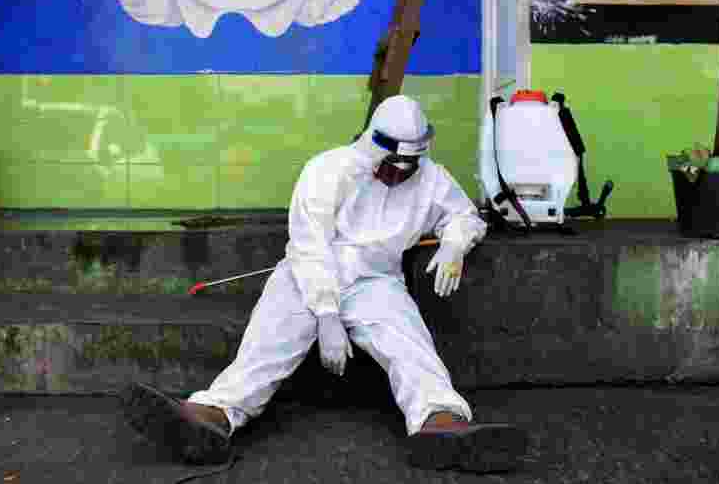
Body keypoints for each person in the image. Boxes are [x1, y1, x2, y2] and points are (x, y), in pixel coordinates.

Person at [121, 95, 527, 472]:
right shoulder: (327, 170)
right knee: (269, 344)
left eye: (410, 166)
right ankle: (211, 417)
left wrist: (455, 244)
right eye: (393, 165)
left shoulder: (431, 178)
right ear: (374, 147)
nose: (401, 175)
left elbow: (464, 216)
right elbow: (309, 246)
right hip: (309, 273)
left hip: (375, 281)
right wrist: (327, 315)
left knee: (409, 343)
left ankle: (440, 423)